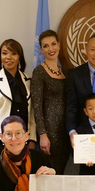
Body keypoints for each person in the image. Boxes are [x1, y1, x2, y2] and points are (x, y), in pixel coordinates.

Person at [0, 39, 36, 158]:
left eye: (13, 53)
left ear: (19, 57)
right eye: (4, 53)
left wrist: (32, 139)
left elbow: (32, 112)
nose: (8, 57)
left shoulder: (29, 80)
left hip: (23, 139)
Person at [31, 30, 71, 174]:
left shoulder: (66, 71)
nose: (51, 49)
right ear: (41, 50)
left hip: (65, 131)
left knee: (62, 172)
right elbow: (37, 106)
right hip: (50, 133)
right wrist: (42, 135)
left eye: (53, 44)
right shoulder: (39, 72)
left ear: (59, 45)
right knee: (52, 173)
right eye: (46, 46)